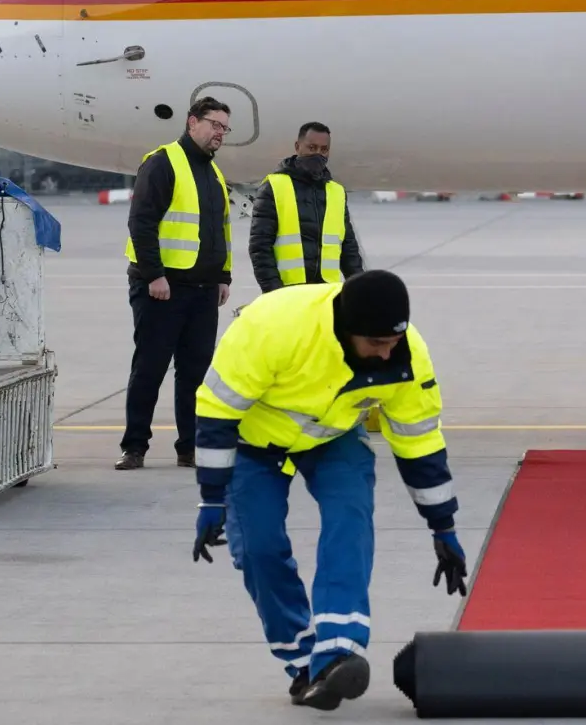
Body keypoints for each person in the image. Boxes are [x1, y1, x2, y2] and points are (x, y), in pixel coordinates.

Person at [189, 269, 469, 711]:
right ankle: (304, 664)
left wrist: (443, 527)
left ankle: (338, 652)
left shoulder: (405, 351)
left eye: (392, 342)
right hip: (253, 442)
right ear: (347, 330)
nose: (387, 352)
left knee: (350, 521)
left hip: (333, 438)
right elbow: (217, 411)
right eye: (376, 344)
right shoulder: (274, 328)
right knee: (260, 551)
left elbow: (420, 443)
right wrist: (211, 496)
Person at [116, 97, 234, 471]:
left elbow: (220, 232)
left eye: (224, 128)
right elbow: (142, 222)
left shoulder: (214, 173)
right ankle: (135, 447)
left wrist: (222, 277)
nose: (219, 133)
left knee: (196, 375)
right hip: (162, 289)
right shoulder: (163, 162)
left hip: (202, 291)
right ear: (192, 122)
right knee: (149, 369)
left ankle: (190, 448)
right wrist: (154, 275)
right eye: (214, 125)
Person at [248, 122, 365, 292]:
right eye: (312, 147)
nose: (318, 154)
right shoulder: (274, 186)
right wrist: (274, 292)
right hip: (288, 291)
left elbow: (349, 250)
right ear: (297, 147)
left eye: (323, 149)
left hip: (325, 292)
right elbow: (260, 247)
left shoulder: (336, 192)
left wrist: (360, 288)